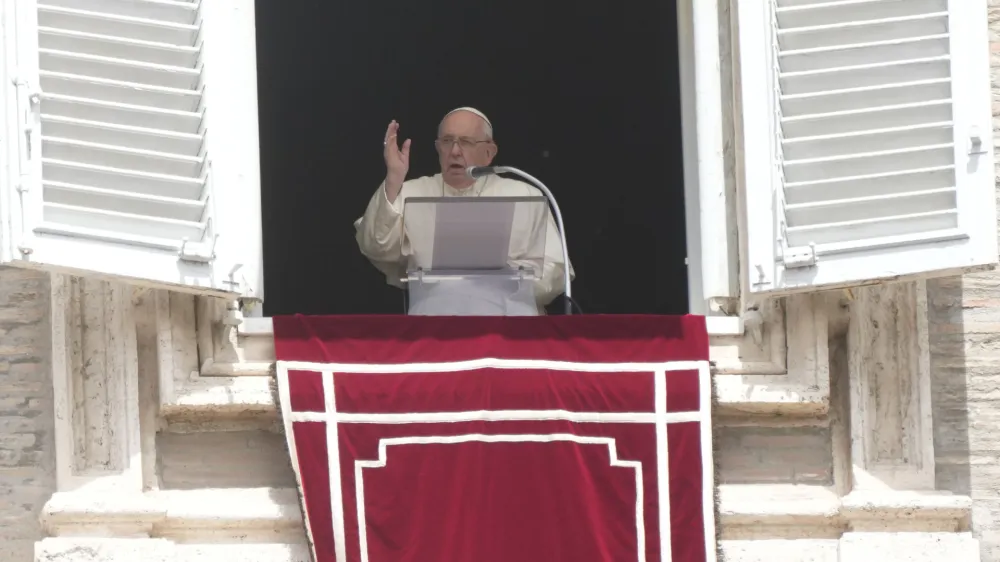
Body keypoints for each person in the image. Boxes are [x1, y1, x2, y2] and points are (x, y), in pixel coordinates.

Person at [354, 107, 573, 315]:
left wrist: (511, 278)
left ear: (489, 152)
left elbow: (556, 271)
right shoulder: (410, 193)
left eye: (466, 142)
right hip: (433, 329)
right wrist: (393, 177)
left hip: (510, 328)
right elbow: (375, 245)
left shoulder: (526, 195)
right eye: (447, 141)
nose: (455, 151)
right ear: (438, 148)